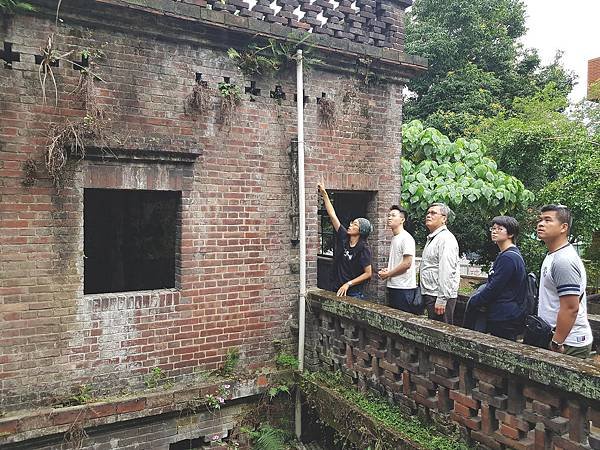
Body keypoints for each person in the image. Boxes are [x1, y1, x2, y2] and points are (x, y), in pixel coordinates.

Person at [537, 204, 593, 358]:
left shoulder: (563, 260)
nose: (541, 224)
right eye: (540, 220)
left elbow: (570, 308)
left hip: (568, 343)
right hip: (559, 338)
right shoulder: (553, 255)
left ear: (563, 227)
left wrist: (556, 342)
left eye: (548, 220)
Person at [465, 216, 527, 340]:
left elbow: (494, 287)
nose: (494, 231)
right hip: (503, 313)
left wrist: (474, 301)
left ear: (511, 234)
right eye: (493, 228)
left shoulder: (508, 257)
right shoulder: (506, 255)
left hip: (505, 316)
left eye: (500, 229)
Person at [318, 182, 373, 298]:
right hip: (337, 288)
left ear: (361, 231)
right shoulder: (344, 237)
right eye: (352, 223)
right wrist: (324, 194)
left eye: (355, 225)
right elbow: (333, 216)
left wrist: (349, 284)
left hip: (353, 292)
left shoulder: (363, 248)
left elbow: (368, 273)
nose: (350, 225)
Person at [420, 203, 460, 324]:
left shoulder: (446, 239)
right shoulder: (433, 238)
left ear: (444, 218)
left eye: (433, 213)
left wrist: (442, 299)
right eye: (428, 213)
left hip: (440, 295)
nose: (429, 215)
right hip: (432, 293)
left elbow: (447, 270)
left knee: (442, 334)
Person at [378, 206, 418, 313]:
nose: (389, 218)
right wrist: (388, 269)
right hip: (395, 285)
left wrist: (389, 273)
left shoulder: (406, 238)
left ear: (402, 220)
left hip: (404, 287)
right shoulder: (395, 238)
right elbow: (399, 262)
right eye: (389, 215)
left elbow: (407, 263)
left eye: (393, 215)